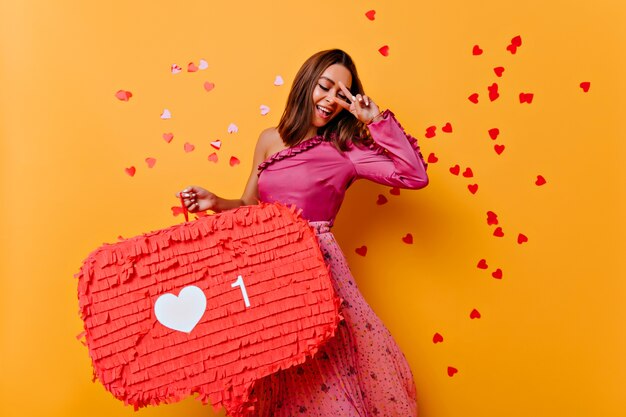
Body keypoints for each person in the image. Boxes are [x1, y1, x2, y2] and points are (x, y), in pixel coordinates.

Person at [176, 49, 428, 417]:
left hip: (316, 269)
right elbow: (251, 205)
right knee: (278, 373)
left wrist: (376, 120)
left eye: (341, 95)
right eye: (325, 87)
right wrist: (216, 201)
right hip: (265, 266)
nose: (330, 101)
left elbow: (414, 176)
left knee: (328, 369)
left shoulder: (346, 150)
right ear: (306, 83)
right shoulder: (269, 139)